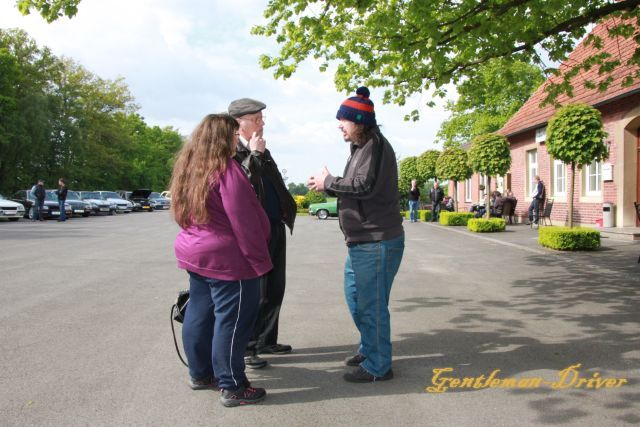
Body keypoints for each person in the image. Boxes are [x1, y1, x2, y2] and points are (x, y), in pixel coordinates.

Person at [170, 114, 272, 407]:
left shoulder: (189, 168)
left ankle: (200, 373)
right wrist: (258, 260)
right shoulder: (226, 169)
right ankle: (233, 385)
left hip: (196, 253)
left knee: (199, 314)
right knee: (233, 321)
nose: (236, 140)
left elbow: (180, 213)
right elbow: (245, 220)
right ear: (222, 138)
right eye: (233, 135)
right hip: (227, 260)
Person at [307, 86, 404, 383]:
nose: (340, 125)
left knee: (371, 305)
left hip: (376, 241)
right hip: (364, 241)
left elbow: (364, 186)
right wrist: (329, 183)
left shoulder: (374, 146)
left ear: (359, 122)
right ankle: (370, 348)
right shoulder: (363, 147)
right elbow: (359, 185)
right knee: (357, 298)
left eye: (344, 120)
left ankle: (378, 366)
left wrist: (329, 181)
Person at [228, 98, 297, 369]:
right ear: (238, 123)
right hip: (254, 232)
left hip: (274, 226)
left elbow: (274, 183)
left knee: (275, 287)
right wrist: (255, 155)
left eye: (261, 118)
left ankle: (266, 339)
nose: (261, 123)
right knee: (255, 292)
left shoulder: (260, 149)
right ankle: (247, 348)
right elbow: (242, 185)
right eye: (256, 119)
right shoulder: (232, 151)